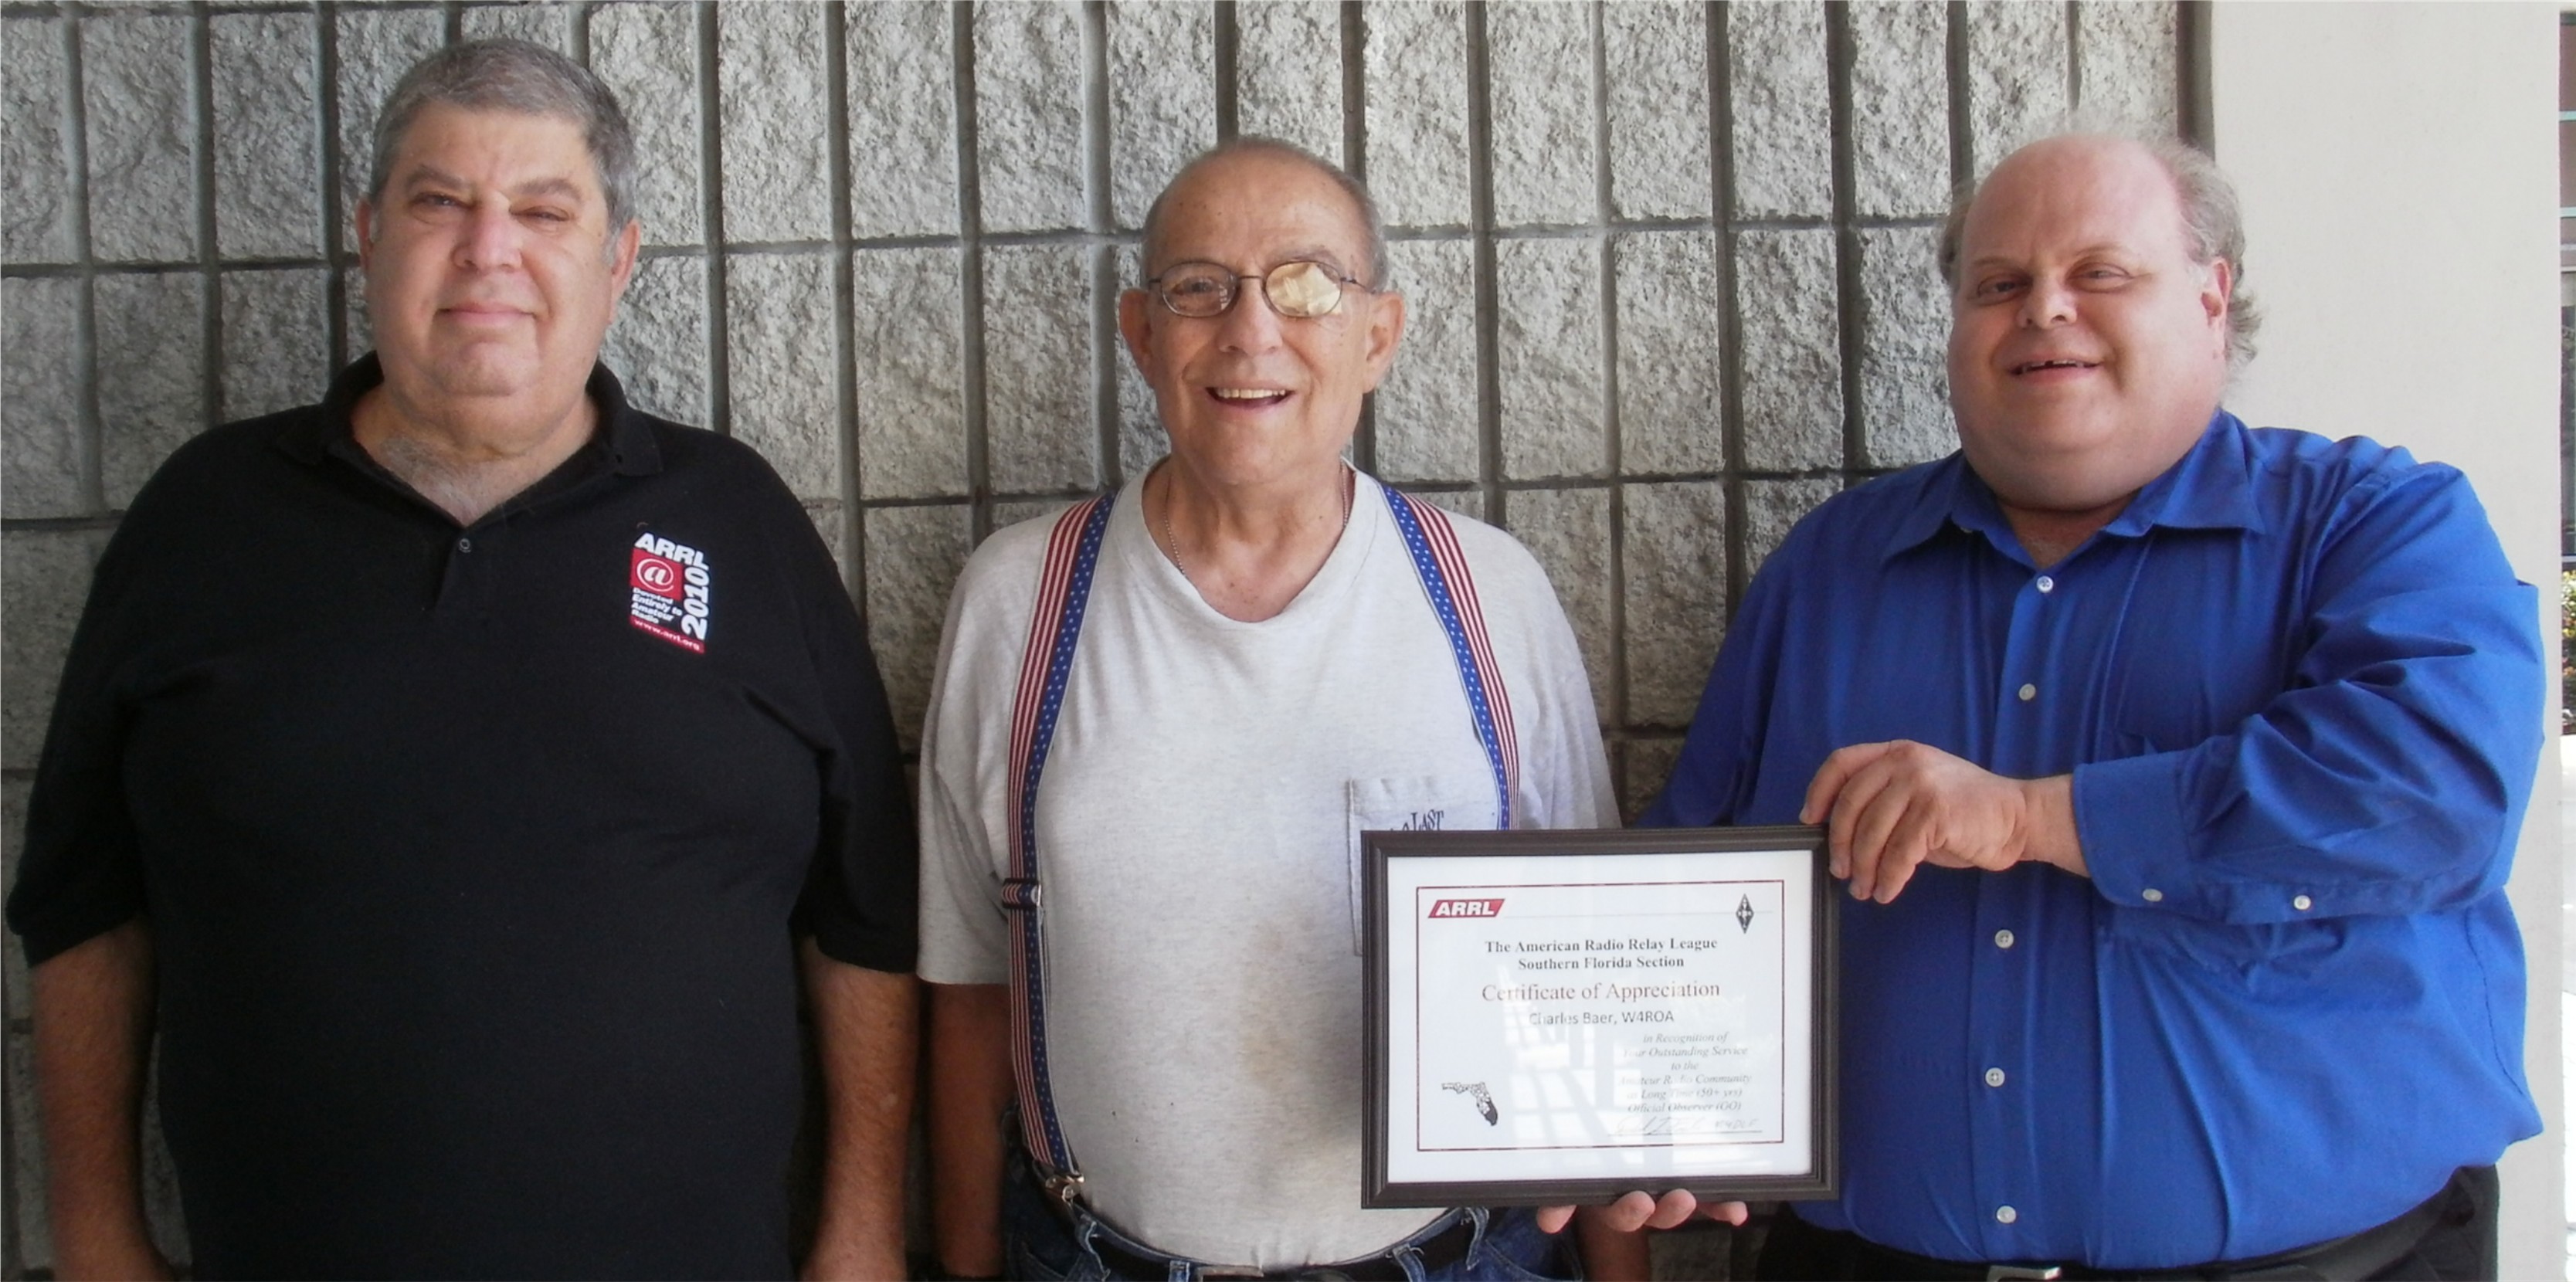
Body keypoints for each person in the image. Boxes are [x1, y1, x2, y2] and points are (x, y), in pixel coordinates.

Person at [6, 39, 917, 1280]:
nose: (490, 251)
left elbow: (864, 911)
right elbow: (81, 904)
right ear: (369, 235)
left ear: (619, 260)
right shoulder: (206, 519)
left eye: (544, 211)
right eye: (441, 203)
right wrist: (96, 1238)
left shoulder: (736, 518)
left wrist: (862, 1239)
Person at [1648, 131, 2541, 1280]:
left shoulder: (2376, 523)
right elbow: (1688, 891)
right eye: (1998, 285)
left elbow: (2432, 797)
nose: (2044, 310)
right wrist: (1627, 1112)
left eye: (2101, 273)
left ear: (2212, 298)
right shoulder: (1831, 567)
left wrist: (2030, 818)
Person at [915, 138, 1738, 1282]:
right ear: (1141, 335)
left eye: (1305, 285)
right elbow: (970, 985)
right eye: (1199, 287)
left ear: (1379, 336)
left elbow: (1583, 981)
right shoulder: (1021, 601)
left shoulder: (1488, 595)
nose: (1251, 330)